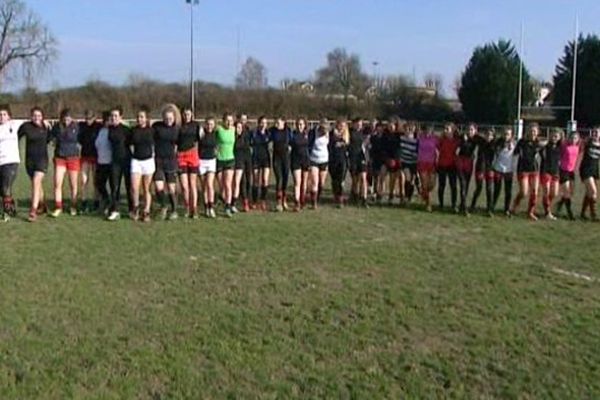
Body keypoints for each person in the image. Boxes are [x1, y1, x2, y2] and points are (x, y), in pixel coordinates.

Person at [18, 107, 50, 222]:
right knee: (37, 184)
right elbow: (16, 137)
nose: (37, 118)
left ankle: (33, 210)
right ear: (31, 116)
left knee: (36, 182)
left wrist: (48, 129)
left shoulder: (46, 127)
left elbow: (50, 140)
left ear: (42, 117)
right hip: (29, 161)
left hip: (42, 160)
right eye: (35, 115)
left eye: (39, 115)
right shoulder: (26, 126)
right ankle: (42, 205)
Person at [49, 108, 81, 217]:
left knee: (73, 184)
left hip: (73, 158)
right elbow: (50, 138)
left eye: (68, 118)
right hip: (60, 158)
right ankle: (58, 207)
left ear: (71, 118)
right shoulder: (56, 127)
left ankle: (73, 206)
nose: (66, 120)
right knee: (57, 183)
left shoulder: (77, 127)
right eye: (65, 118)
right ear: (62, 118)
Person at [510, 123, 545, 220]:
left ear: (537, 132)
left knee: (535, 191)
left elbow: (544, 155)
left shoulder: (539, 143)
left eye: (534, 131)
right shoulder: (522, 142)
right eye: (531, 130)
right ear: (528, 131)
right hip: (523, 170)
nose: (532, 132)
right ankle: (514, 207)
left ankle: (530, 212)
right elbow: (515, 152)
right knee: (524, 192)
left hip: (534, 170)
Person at [153, 105, 180, 220]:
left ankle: (174, 211)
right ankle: (164, 206)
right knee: (158, 187)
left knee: (171, 188)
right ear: (163, 117)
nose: (169, 120)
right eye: (166, 118)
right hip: (158, 160)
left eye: (171, 118)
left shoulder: (177, 129)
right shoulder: (157, 127)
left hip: (171, 161)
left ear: (174, 118)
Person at [129, 108, 155, 222]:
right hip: (136, 161)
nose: (140, 119)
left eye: (142, 117)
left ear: (146, 118)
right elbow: (129, 144)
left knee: (146, 188)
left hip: (148, 161)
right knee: (135, 188)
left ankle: (146, 211)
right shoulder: (133, 130)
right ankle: (136, 209)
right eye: (138, 117)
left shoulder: (152, 130)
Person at [107, 106, 132, 221]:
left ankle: (132, 210)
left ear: (121, 117)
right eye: (112, 116)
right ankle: (115, 210)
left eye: (116, 116)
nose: (114, 118)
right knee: (114, 187)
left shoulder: (126, 130)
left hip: (127, 161)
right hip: (115, 162)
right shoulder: (109, 129)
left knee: (129, 186)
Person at [178, 107, 201, 218]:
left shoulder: (196, 126)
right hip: (181, 156)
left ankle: (194, 208)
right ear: (182, 115)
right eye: (185, 114)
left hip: (192, 155)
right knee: (184, 186)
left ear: (191, 115)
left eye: (189, 114)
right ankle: (187, 207)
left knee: (192, 184)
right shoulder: (179, 126)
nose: (187, 116)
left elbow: (200, 139)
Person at [78, 110, 101, 213]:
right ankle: (84, 202)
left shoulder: (99, 127)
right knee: (84, 181)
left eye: (90, 118)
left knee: (96, 182)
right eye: (86, 118)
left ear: (94, 117)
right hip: (85, 156)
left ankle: (96, 202)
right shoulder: (81, 126)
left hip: (96, 157)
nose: (88, 120)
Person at [470, 128, 496, 216]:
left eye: (490, 135)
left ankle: (489, 209)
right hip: (480, 168)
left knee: (489, 189)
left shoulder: (494, 144)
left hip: (490, 169)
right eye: (487, 134)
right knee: (479, 188)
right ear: (484, 135)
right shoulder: (481, 141)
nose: (488, 136)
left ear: (493, 136)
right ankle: (472, 206)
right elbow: (473, 135)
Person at [555, 131, 581, 220]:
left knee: (571, 192)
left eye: (575, 138)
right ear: (568, 138)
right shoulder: (564, 145)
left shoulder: (578, 147)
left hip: (571, 172)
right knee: (566, 191)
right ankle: (570, 213)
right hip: (563, 170)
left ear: (578, 140)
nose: (573, 140)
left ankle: (560, 203)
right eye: (572, 138)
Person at [0, 104, 19, 222]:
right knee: (1, 189)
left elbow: (29, 124)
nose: (2, 117)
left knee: (5, 187)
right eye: (0, 115)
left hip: (11, 161)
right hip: (0, 162)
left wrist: (44, 123)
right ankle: (11, 205)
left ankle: (6, 213)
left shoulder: (15, 125)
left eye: (4, 114)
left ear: (9, 116)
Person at [492, 128, 516, 216]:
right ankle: (492, 207)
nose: (506, 136)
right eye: (505, 134)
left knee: (508, 191)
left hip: (509, 170)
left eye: (508, 134)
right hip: (498, 169)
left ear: (511, 135)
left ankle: (506, 209)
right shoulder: (497, 143)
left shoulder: (514, 144)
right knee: (497, 190)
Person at [216, 112, 236, 217]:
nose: (229, 122)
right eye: (227, 120)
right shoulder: (218, 130)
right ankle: (222, 199)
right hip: (219, 160)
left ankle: (228, 207)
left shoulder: (234, 130)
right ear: (223, 121)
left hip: (230, 160)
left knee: (228, 184)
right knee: (221, 186)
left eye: (231, 121)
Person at [539, 129, 562, 220]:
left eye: (556, 136)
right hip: (545, 171)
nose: (554, 138)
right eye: (553, 135)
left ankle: (546, 205)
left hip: (555, 172)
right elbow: (538, 144)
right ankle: (547, 212)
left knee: (554, 193)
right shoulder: (545, 145)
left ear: (559, 137)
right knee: (547, 191)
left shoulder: (560, 146)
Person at [270, 117, 292, 212]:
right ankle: (278, 202)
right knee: (279, 179)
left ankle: (284, 200)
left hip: (286, 158)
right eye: (276, 122)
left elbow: (292, 141)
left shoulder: (288, 131)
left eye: (278, 122)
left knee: (285, 179)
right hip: (277, 158)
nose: (277, 124)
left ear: (284, 122)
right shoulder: (272, 131)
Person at [456, 123, 478, 216]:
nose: (470, 131)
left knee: (467, 185)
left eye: (472, 130)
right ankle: (464, 208)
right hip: (461, 162)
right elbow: (458, 149)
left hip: (469, 163)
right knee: (462, 185)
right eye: (469, 129)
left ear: (475, 131)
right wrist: (463, 141)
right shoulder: (462, 137)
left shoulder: (476, 139)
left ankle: (461, 204)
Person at [579, 127, 600, 221]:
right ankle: (594, 215)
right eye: (594, 132)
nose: (595, 134)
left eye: (597, 132)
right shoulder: (587, 142)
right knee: (594, 191)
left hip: (595, 170)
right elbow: (578, 146)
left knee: (589, 192)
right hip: (586, 170)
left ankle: (582, 214)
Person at [308, 119, 330, 209]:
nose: (324, 131)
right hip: (314, 159)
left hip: (324, 160)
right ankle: (314, 203)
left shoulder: (329, 134)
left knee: (321, 183)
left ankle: (317, 196)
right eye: (323, 129)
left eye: (326, 129)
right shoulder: (313, 133)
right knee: (315, 182)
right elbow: (308, 144)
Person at [199, 117, 218, 218]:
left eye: (212, 124)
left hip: (211, 161)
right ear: (205, 124)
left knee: (210, 184)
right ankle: (206, 207)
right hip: (201, 161)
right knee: (204, 186)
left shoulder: (216, 134)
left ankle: (211, 207)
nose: (210, 126)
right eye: (208, 124)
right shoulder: (201, 134)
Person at [250, 116, 271, 211]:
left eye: (265, 123)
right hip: (255, 159)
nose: (263, 125)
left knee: (265, 180)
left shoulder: (268, 133)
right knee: (255, 180)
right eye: (262, 122)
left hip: (266, 159)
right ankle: (254, 201)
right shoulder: (253, 133)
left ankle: (263, 201)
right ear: (258, 123)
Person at [437, 123, 458, 211]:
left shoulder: (457, 141)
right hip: (442, 165)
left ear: (452, 130)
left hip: (452, 166)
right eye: (444, 129)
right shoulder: (441, 140)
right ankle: (441, 204)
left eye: (447, 129)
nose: (445, 130)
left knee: (453, 186)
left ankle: (454, 205)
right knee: (442, 185)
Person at [416, 124, 438, 212]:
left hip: (432, 163)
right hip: (422, 163)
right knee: (425, 184)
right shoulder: (419, 138)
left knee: (431, 185)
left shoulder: (435, 139)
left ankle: (423, 194)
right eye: (426, 130)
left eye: (429, 130)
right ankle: (428, 204)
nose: (427, 132)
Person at [290, 117, 310, 211]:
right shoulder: (292, 135)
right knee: (297, 182)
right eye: (298, 124)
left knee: (304, 182)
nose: (299, 126)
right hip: (295, 160)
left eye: (301, 124)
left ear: (304, 125)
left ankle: (303, 200)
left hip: (305, 160)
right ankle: (296, 202)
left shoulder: (308, 135)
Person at [348, 117, 370, 207]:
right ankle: (354, 195)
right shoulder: (349, 132)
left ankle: (364, 199)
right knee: (355, 180)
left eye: (360, 124)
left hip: (362, 158)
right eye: (357, 124)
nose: (359, 125)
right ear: (353, 124)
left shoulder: (364, 133)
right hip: (353, 158)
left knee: (363, 178)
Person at [329, 119, 350, 208]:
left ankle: (340, 198)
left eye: (343, 125)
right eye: (340, 125)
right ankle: (335, 196)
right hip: (333, 160)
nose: (341, 127)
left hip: (343, 160)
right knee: (334, 180)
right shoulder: (332, 134)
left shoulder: (347, 136)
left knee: (341, 180)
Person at [94, 112, 112, 215]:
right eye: (106, 120)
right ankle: (106, 200)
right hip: (101, 162)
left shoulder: (113, 131)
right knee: (99, 184)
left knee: (112, 186)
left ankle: (111, 206)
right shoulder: (100, 131)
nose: (108, 122)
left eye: (109, 120)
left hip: (110, 163)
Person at [233, 119, 252, 212]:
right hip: (238, 161)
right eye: (237, 127)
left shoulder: (246, 135)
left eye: (240, 127)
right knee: (241, 181)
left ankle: (247, 199)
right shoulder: (232, 137)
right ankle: (244, 202)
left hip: (247, 160)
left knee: (248, 180)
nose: (238, 129)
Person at [398, 122, 419, 205]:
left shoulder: (416, 140)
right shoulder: (401, 138)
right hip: (405, 162)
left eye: (409, 129)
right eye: (405, 129)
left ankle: (409, 197)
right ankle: (406, 197)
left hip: (414, 162)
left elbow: (418, 152)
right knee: (408, 178)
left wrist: (415, 154)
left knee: (412, 181)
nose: (407, 131)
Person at [384, 120, 403, 205]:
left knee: (401, 177)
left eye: (392, 126)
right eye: (389, 126)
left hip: (399, 158)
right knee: (392, 178)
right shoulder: (386, 135)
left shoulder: (399, 135)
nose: (391, 127)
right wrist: (388, 158)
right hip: (391, 159)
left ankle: (402, 195)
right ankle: (391, 195)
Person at [369, 122, 387, 202]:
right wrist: (371, 158)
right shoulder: (373, 138)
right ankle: (375, 193)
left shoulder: (385, 138)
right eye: (378, 127)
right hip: (375, 159)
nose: (379, 129)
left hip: (383, 159)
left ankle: (381, 193)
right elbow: (371, 149)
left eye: (381, 128)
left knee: (382, 177)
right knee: (376, 177)